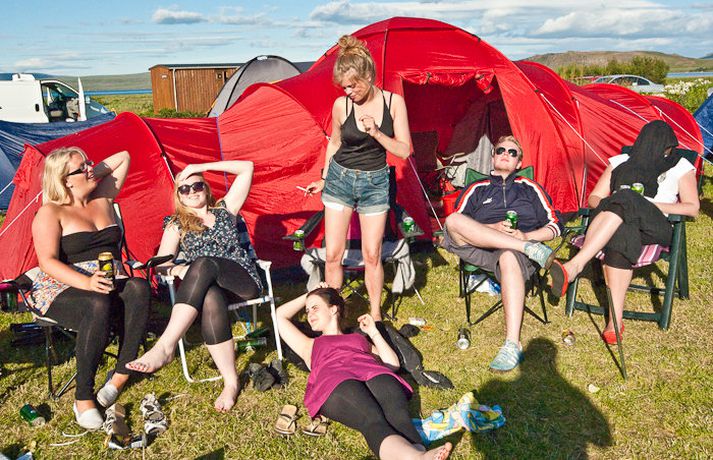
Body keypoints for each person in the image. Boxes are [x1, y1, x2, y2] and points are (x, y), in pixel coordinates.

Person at [548, 120, 699, 344]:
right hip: (619, 223)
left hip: (654, 224)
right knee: (621, 226)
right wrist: (613, 203)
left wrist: (646, 204)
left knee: (627, 196)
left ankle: (576, 265)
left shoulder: (679, 165)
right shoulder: (620, 161)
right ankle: (615, 323)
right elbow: (595, 198)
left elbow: (692, 208)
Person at [127, 161, 260, 412]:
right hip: (211, 287)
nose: (191, 191)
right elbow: (161, 265)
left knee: (204, 262)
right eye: (184, 189)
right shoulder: (176, 224)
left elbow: (247, 168)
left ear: (206, 188)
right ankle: (231, 382)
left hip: (242, 281)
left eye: (197, 185)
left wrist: (199, 166)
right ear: (178, 196)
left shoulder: (226, 209)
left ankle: (165, 346)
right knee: (209, 296)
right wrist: (179, 270)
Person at [32, 147, 150, 430]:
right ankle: (83, 397)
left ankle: (120, 376)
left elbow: (124, 156)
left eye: (90, 163)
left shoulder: (103, 197)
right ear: (65, 180)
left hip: (107, 279)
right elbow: (47, 261)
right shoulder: (51, 212)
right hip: (64, 285)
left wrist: (86, 174)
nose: (90, 168)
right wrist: (86, 282)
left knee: (139, 287)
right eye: (82, 167)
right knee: (98, 302)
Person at [303, 35, 412, 321]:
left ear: (369, 76)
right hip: (340, 180)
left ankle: (375, 316)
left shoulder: (393, 103)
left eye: (353, 85)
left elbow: (404, 150)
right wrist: (325, 178)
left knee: (372, 254)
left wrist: (376, 133)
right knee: (332, 255)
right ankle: (333, 319)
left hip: (375, 183)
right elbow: (335, 144)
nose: (349, 91)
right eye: (344, 87)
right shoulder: (342, 106)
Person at [276, 284, 452, 460]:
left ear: (333, 309)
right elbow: (279, 315)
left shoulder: (358, 339)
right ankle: (419, 457)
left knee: (399, 417)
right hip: (337, 380)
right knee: (372, 420)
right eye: (307, 310)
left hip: (375, 373)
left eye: (315, 308)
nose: (309, 315)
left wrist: (374, 333)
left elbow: (392, 365)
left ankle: (420, 455)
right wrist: (309, 294)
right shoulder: (309, 345)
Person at [440, 135, 563, 372]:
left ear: (519, 163)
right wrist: (493, 228)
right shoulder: (476, 188)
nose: (506, 154)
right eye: (500, 150)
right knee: (453, 220)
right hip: (481, 249)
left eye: (512, 152)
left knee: (508, 254)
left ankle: (512, 344)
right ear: (493, 157)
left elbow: (556, 225)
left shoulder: (530, 188)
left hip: (517, 254)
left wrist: (527, 236)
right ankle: (528, 249)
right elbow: (457, 223)